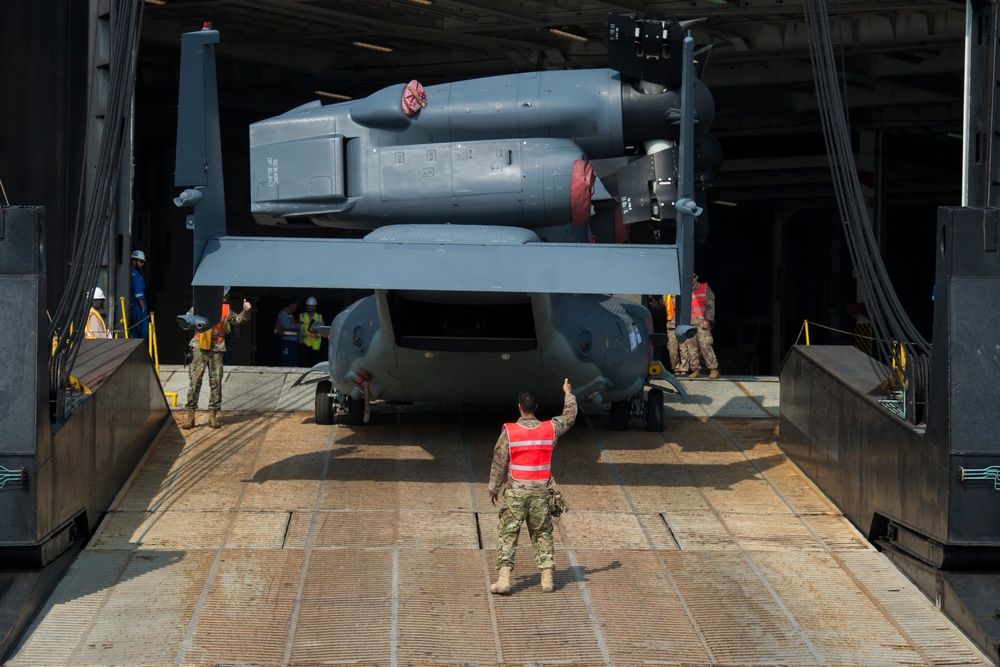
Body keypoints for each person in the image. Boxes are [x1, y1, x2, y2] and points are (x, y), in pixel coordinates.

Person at [488, 379, 577, 595]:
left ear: (519, 407)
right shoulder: (549, 429)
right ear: (536, 407)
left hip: (516, 492)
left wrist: (493, 488)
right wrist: (568, 394)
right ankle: (547, 579)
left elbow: (499, 461)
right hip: (542, 492)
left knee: (508, 534)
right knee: (542, 533)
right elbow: (570, 416)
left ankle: (504, 579)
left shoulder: (510, 431)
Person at [181, 288, 252, 429]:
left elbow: (237, 320)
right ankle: (190, 416)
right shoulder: (200, 305)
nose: (226, 296)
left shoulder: (226, 309)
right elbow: (186, 322)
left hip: (217, 347)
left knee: (216, 382)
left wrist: (246, 311)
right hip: (200, 347)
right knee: (195, 380)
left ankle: (212, 416)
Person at [681, 272, 719, 379]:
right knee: (691, 347)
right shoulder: (685, 290)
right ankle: (695, 370)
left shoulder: (704, 288)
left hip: (702, 323)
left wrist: (708, 319)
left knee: (705, 345)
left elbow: (710, 305)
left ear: (697, 277)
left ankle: (713, 369)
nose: (691, 280)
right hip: (689, 323)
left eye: (693, 277)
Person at [299, 296, 325, 367]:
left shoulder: (319, 317)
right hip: (305, 342)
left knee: (314, 363)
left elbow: (323, 329)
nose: (309, 307)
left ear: (315, 307)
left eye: (311, 306)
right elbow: (299, 329)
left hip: (315, 343)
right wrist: (300, 339)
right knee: (303, 362)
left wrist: (316, 330)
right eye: (308, 306)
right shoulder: (302, 316)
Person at [129, 250, 149, 339]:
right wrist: (143, 308)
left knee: (134, 334)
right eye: (140, 261)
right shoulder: (136, 275)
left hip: (134, 308)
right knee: (143, 333)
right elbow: (138, 294)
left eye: (143, 262)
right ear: (134, 261)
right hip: (138, 309)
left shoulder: (130, 273)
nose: (142, 264)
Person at [275, 298, 300, 367]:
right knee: (288, 361)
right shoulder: (283, 313)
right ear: (290, 305)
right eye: (295, 305)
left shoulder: (290, 314)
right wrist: (298, 325)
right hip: (287, 342)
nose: (296, 307)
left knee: (292, 361)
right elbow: (286, 326)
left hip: (292, 341)